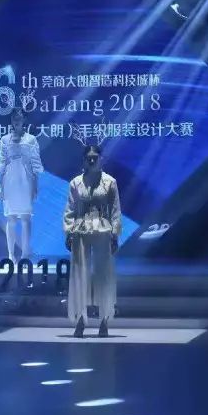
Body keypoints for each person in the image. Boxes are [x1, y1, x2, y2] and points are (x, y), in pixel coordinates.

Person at [63, 144, 121, 338]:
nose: (92, 160)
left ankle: (104, 320)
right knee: (80, 274)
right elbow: (70, 209)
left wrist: (115, 235)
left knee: (103, 274)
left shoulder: (110, 182)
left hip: (103, 230)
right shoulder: (75, 183)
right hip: (81, 230)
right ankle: (80, 319)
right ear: (84, 159)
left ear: (100, 159)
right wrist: (69, 232)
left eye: (95, 157)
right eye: (89, 157)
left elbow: (115, 209)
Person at [0, 107, 44, 260]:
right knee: (11, 219)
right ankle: (10, 255)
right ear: (11, 120)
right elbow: (1, 165)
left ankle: (25, 253)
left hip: (26, 182)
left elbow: (35, 165)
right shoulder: (4, 140)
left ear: (24, 120)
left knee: (26, 218)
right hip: (10, 181)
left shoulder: (31, 140)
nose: (16, 121)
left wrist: (35, 186)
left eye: (19, 118)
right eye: (14, 118)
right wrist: (0, 188)